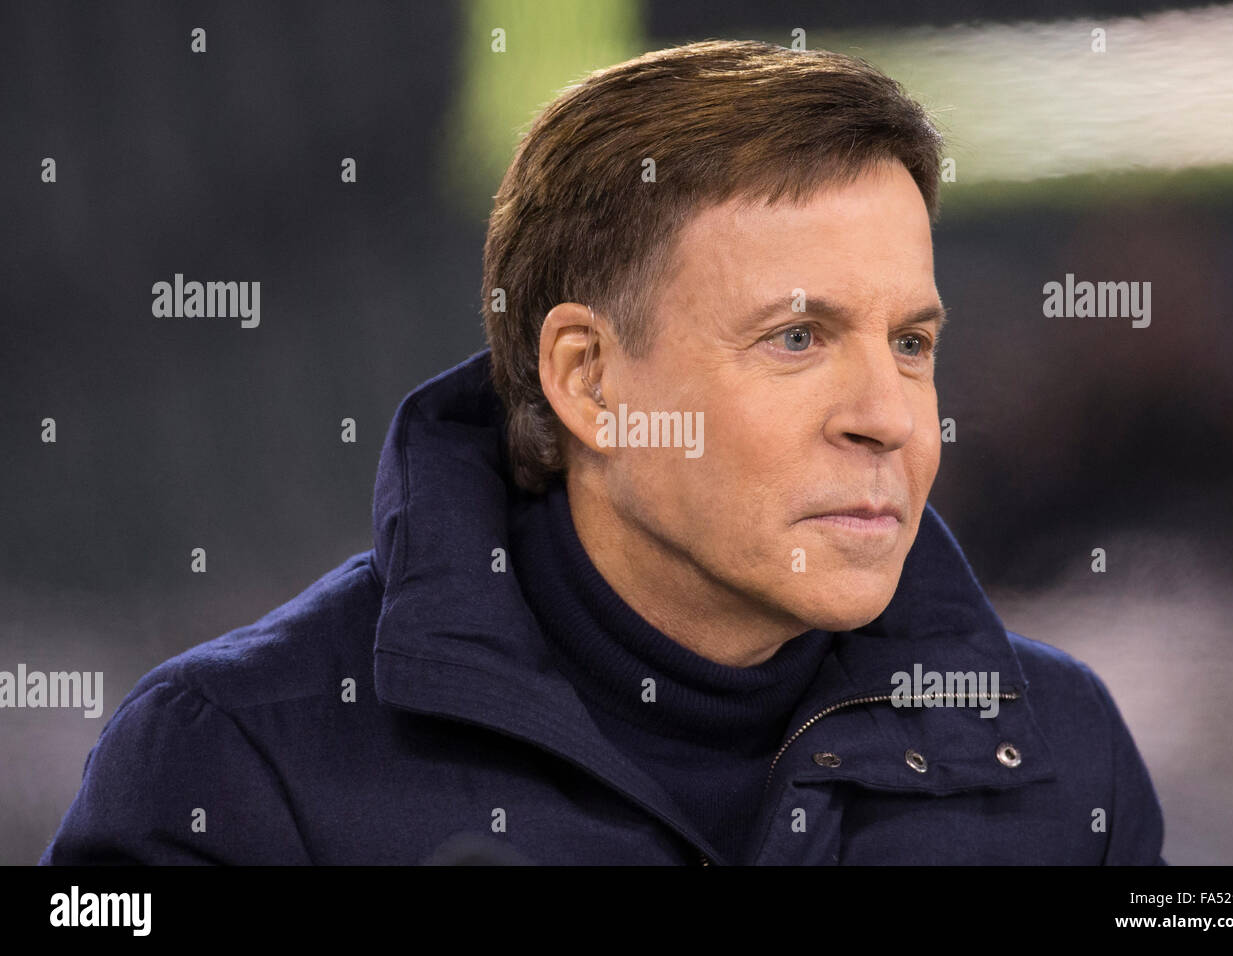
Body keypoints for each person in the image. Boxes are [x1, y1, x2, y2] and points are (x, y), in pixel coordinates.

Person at [40, 39, 1164, 865]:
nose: (892, 415)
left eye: (911, 343)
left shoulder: (1065, 756)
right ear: (587, 377)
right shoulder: (235, 763)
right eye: (796, 336)